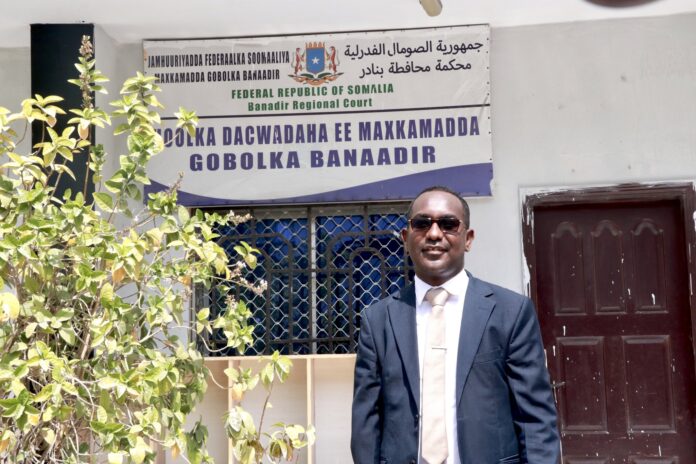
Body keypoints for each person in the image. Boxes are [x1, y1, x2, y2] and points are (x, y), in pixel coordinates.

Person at [350, 186, 560, 464]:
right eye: (422, 224)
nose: (434, 234)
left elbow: (536, 419)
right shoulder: (377, 321)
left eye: (448, 224)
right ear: (405, 238)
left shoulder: (510, 312)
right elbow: (366, 423)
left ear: (468, 238)